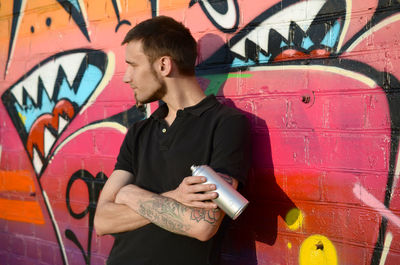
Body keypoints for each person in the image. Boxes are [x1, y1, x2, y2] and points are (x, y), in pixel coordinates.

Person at [94, 16, 251, 265]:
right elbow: (102, 221)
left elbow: (202, 227)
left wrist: (129, 193)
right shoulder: (138, 132)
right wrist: (175, 197)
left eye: (133, 65)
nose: (127, 77)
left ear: (164, 65)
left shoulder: (225, 125)